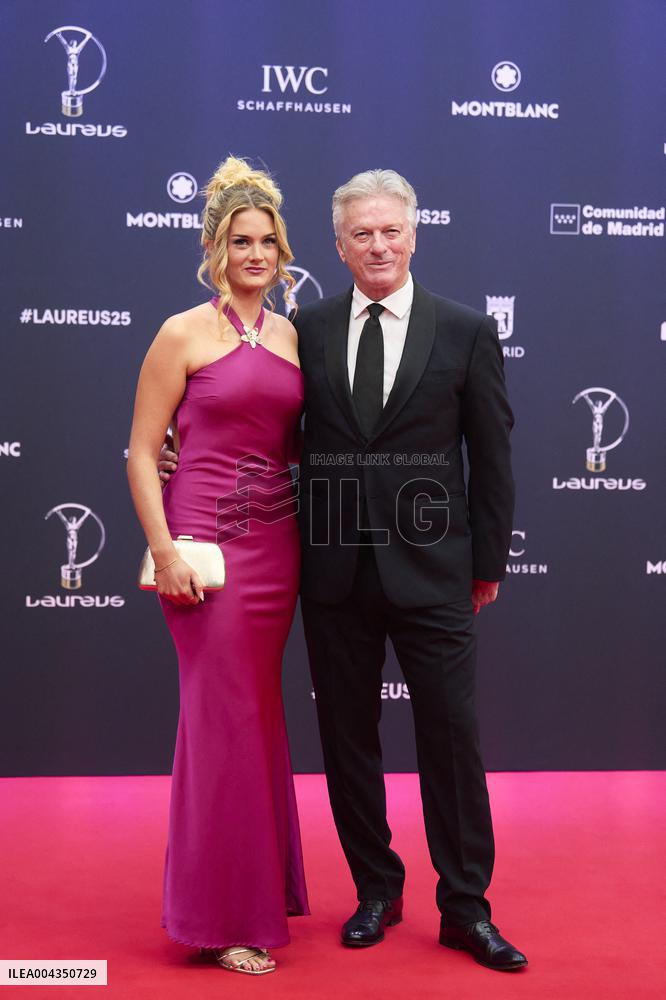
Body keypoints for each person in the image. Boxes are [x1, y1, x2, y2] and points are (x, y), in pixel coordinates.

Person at [161, 168, 527, 972]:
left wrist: (488, 560)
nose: (378, 245)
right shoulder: (307, 327)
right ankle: (376, 891)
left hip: (435, 572)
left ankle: (466, 907)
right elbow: (259, 420)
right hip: (331, 572)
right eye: (361, 234)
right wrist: (179, 449)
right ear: (337, 246)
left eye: (391, 230)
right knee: (348, 740)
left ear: (415, 234)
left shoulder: (464, 330)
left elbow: (492, 456)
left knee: (453, 742)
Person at [127, 156, 309, 976]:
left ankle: (259, 891)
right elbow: (140, 452)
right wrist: (164, 549)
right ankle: (222, 916)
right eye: (242, 241)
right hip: (202, 551)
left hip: (276, 549)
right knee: (221, 723)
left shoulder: (290, 334)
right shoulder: (181, 332)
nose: (257, 255)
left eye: (268, 241)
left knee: (257, 719)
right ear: (214, 247)